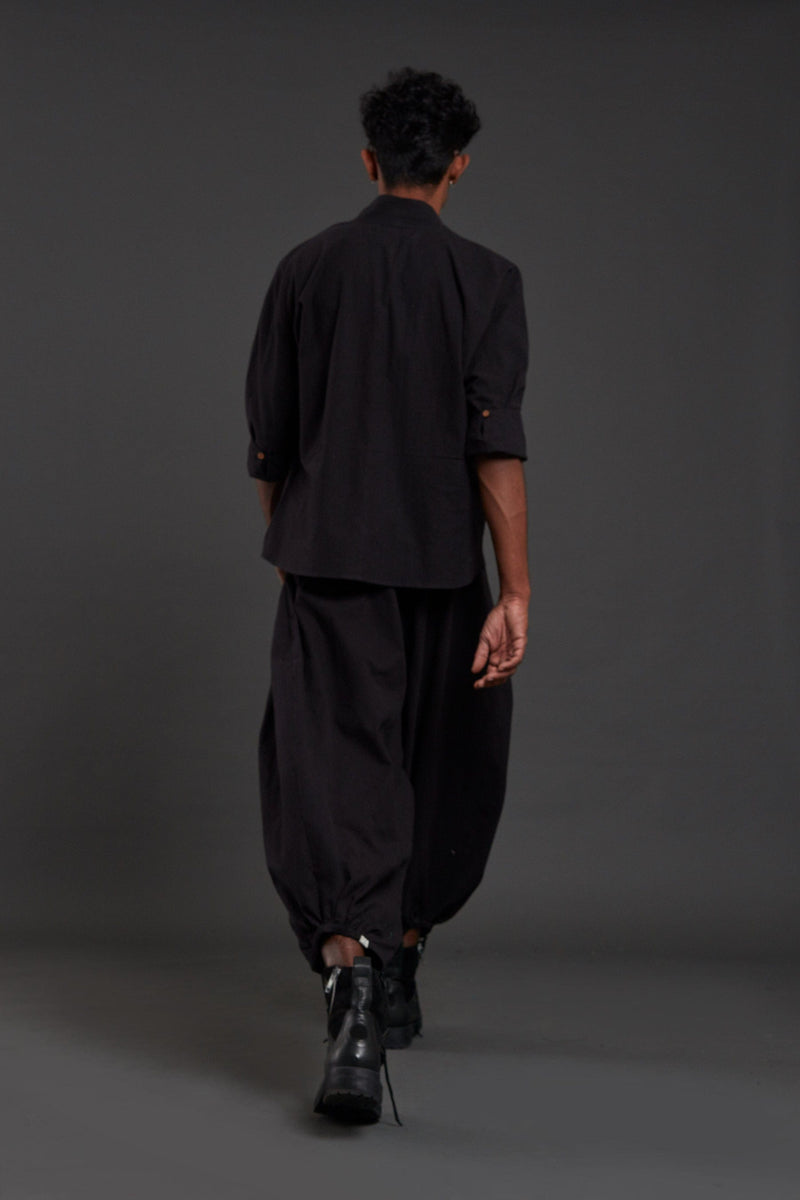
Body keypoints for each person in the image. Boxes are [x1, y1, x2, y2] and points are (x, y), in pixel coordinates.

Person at [244, 66, 530, 1125]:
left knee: (333, 775)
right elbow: (495, 449)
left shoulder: (306, 268)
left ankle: (354, 987)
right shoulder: (488, 279)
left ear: (368, 161)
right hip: (446, 569)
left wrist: (290, 544)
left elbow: (270, 435)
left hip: (327, 560)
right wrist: (516, 589)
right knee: (440, 763)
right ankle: (397, 964)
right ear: (458, 166)